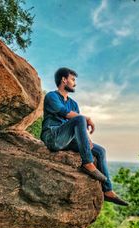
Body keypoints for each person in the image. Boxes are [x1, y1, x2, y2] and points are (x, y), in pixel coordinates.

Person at [40, 67, 128, 206]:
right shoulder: (51, 96)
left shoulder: (73, 103)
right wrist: (86, 118)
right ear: (64, 80)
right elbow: (66, 114)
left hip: (67, 140)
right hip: (53, 136)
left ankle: (108, 190)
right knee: (80, 118)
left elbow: (77, 126)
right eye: (73, 79)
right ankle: (87, 163)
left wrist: (87, 139)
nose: (74, 83)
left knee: (100, 151)